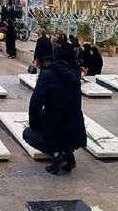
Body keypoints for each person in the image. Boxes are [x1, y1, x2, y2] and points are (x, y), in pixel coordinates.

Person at [22, 44, 86, 175]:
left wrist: (34, 124)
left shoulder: (47, 75)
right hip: (77, 132)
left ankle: (58, 155)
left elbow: (35, 103)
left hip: (56, 129)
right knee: (60, 129)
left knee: (28, 134)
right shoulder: (75, 75)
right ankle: (67, 155)